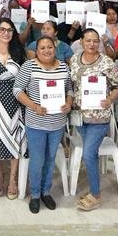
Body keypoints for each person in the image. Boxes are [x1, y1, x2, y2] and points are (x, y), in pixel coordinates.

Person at [67, 28, 118, 211]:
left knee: (89, 154)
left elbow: (117, 86)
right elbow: (71, 85)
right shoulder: (74, 59)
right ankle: (94, 186)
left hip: (99, 118)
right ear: (81, 42)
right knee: (90, 154)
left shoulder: (107, 62)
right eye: (88, 40)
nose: (92, 44)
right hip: (79, 117)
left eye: (95, 41)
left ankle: (96, 195)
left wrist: (109, 100)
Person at [15, 36, 71, 213]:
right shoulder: (29, 66)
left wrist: (69, 103)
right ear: (36, 51)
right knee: (37, 160)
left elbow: (69, 89)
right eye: (42, 48)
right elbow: (17, 89)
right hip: (36, 123)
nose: (47, 51)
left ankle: (46, 192)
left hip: (57, 123)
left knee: (50, 158)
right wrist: (34, 106)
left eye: (50, 47)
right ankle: (35, 195)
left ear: (55, 48)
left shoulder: (63, 67)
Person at [0, 19, 27, 199]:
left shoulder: (19, 52)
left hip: (16, 101)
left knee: (16, 139)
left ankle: (12, 180)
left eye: (9, 30)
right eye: (2, 29)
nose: (5, 33)